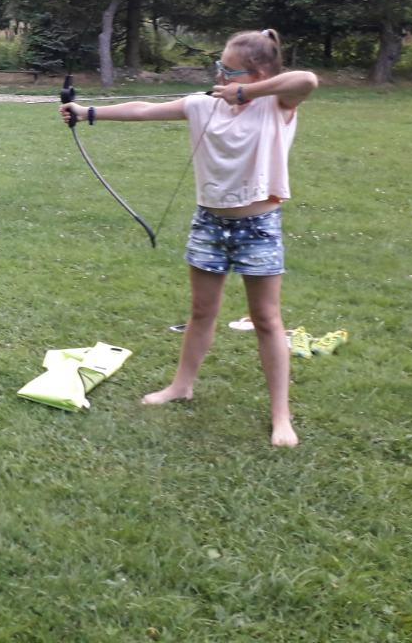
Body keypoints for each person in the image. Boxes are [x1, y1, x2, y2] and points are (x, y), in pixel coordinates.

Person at [59, 29, 319, 447]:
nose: (218, 75)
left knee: (267, 319)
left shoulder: (277, 105)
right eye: (219, 67)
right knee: (201, 311)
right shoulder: (202, 105)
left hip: (258, 225)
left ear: (257, 74)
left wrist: (245, 94)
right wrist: (87, 112)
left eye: (228, 70)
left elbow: (306, 80)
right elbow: (144, 109)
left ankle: (281, 416)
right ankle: (182, 385)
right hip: (209, 223)